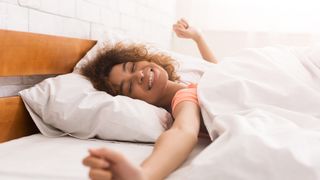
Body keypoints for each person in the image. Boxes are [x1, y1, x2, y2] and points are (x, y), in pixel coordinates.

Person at [82, 18, 216, 180]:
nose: (138, 75)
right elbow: (183, 131)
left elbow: (216, 69)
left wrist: (198, 38)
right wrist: (144, 174)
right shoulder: (184, 97)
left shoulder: (188, 85)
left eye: (132, 67)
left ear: (145, 59)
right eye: (129, 87)